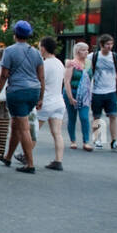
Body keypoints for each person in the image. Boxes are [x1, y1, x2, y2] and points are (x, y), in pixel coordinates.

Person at [0, 20, 43, 173]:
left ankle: (30, 164)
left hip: (17, 91)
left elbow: (4, 75)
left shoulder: (9, 51)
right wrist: (41, 97)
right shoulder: (36, 52)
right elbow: (41, 76)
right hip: (34, 91)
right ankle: (8, 157)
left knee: (24, 128)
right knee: (16, 124)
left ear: (15, 34)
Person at [88, 33, 117, 151]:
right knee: (97, 117)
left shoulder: (116, 57)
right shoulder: (92, 57)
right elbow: (86, 73)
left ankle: (114, 141)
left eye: (111, 44)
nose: (110, 46)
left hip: (111, 91)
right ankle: (98, 140)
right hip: (96, 91)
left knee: (113, 116)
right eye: (107, 44)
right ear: (101, 45)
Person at [36, 36, 67, 169]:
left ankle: (25, 155)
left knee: (33, 131)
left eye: (39, 47)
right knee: (57, 133)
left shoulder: (44, 64)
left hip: (46, 101)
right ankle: (58, 160)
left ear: (43, 48)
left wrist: (38, 99)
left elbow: (40, 83)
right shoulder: (60, 63)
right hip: (59, 101)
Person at [64, 41, 93, 151]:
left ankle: (86, 141)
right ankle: (73, 141)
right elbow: (67, 81)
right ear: (77, 51)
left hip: (84, 94)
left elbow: (91, 79)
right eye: (84, 50)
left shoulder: (89, 64)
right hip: (72, 91)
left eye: (87, 50)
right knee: (72, 117)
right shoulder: (71, 64)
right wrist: (70, 97)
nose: (87, 52)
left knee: (84, 117)